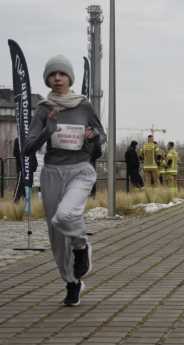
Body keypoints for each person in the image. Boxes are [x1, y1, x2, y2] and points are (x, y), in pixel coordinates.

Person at [24, 54, 106, 306]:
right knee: (56, 234)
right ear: (47, 79)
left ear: (70, 77)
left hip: (80, 170)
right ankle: (72, 282)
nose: (57, 78)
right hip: (52, 173)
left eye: (62, 74)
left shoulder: (84, 106)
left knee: (66, 216)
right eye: (52, 74)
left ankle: (81, 247)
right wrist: (46, 131)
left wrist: (93, 136)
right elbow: (27, 146)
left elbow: (101, 136)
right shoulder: (43, 109)